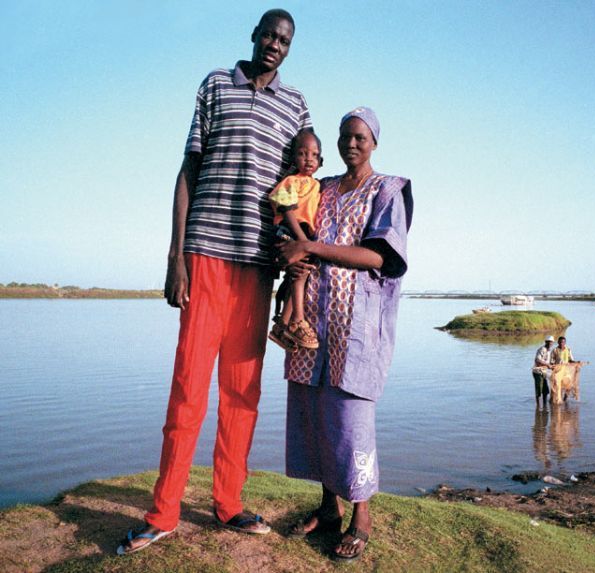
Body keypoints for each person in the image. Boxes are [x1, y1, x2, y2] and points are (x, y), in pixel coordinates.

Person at [117, 9, 312, 555]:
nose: (275, 44)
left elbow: (300, 185)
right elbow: (188, 170)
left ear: (290, 49)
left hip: (257, 263)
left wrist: (295, 257)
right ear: (254, 36)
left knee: (243, 392)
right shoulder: (214, 85)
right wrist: (174, 255)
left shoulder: (297, 106)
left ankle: (228, 502)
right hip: (204, 254)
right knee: (187, 389)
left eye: (285, 40)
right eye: (269, 35)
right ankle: (164, 512)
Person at [276, 107, 413, 562]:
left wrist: (311, 246)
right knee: (317, 416)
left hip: (356, 326)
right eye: (344, 136)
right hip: (312, 322)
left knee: (351, 421)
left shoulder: (386, 190)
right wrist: (292, 256)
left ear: (374, 142)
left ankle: (361, 518)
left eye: (359, 137)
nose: (350, 144)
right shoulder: (324, 187)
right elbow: (294, 223)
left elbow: (380, 258)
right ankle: (327, 508)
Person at [268, 129, 322, 350]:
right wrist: (303, 241)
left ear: (321, 160)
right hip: (290, 230)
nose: (308, 159)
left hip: (304, 235)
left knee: (299, 276)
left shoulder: (317, 185)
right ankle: (297, 319)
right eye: (302, 154)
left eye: (314, 155)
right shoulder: (290, 181)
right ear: (293, 158)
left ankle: (282, 325)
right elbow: (287, 211)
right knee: (300, 274)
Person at [532, 335, 554, 408]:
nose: (550, 344)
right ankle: (538, 406)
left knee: (545, 391)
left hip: (544, 372)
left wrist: (552, 366)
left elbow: (549, 362)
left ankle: (544, 405)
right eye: (549, 342)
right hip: (538, 372)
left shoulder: (549, 351)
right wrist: (547, 365)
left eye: (551, 343)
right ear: (545, 342)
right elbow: (537, 360)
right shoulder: (542, 349)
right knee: (539, 390)